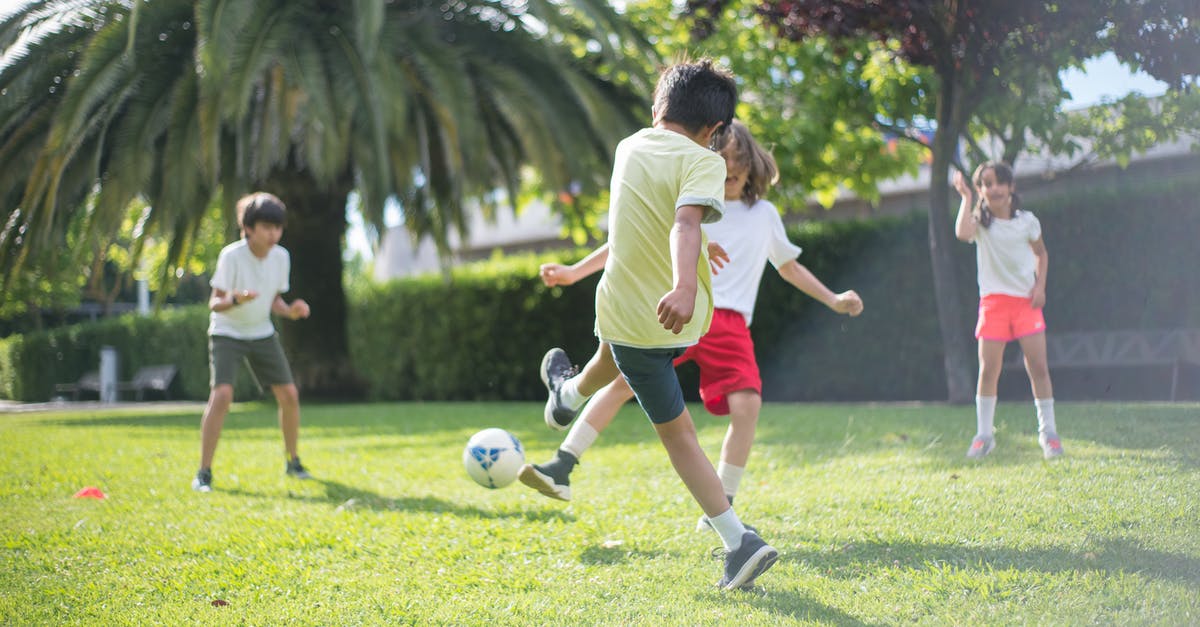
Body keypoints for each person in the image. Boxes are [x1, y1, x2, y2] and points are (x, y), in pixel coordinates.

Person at [521, 121, 864, 536]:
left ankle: (723, 505)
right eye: (721, 157)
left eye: (739, 158)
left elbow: (789, 267)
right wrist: (575, 273)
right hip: (681, 314)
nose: (731, 166)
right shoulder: (692, 202)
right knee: (622, 382)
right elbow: (626, 242)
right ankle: (562, 464)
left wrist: (832, 299)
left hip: (731, 324)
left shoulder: (764, 215)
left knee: (747, 407)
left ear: (753, 163)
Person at [530, 60, 777, 590]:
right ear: (715, 132)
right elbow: (681, 222)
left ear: (658, 107)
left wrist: (685, 266)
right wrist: (686, 284)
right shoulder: (704, 162)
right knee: (662, 417)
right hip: (670, 321)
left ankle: (564, 396)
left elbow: (648, 223)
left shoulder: (628, 148)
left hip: (623, 310)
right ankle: (739, 542)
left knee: (620, 373)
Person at [191, 192, 314, 492]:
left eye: (278, 227)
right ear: (249, 228)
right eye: (266, 227)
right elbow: (215, 303)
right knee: (221, 396)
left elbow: (275, 302)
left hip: (261, 332)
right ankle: (203, 472)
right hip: (227, 331)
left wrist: (292, 312)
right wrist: (236, 298)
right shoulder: (231, 256)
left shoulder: (281, 256)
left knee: (289, 395)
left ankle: (292, 460)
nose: (274, 234)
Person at [953, 161, 1063, 460]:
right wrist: (965, 198)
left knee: (1038, 367)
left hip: (1025, 305)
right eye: (987, 184)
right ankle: (984, 436)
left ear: (1011, 187)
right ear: (981, 190)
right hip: (993, 305)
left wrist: (1040, 287)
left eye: (1000, 182)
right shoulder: (980, 224)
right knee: (989, 370)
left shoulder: (1028, 222)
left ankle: (1049, 434)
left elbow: (1041, 254)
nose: (995, 188)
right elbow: (962, 233)